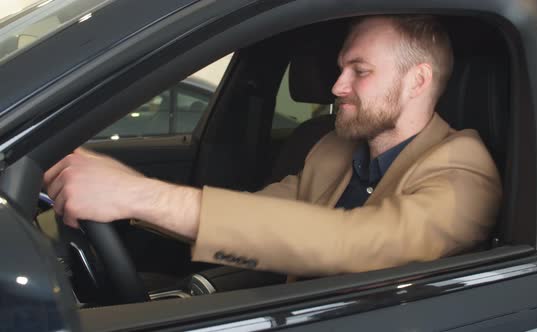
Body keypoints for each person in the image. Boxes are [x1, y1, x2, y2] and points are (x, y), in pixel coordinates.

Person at [43, 15, 502, 277]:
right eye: (341, 69)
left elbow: (356, 244)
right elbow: (254, 216)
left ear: (417, 80)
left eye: (360, 71)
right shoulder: (333, 149)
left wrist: (137, 195)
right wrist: (127, 201)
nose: (337, 86)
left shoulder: (464, 170)